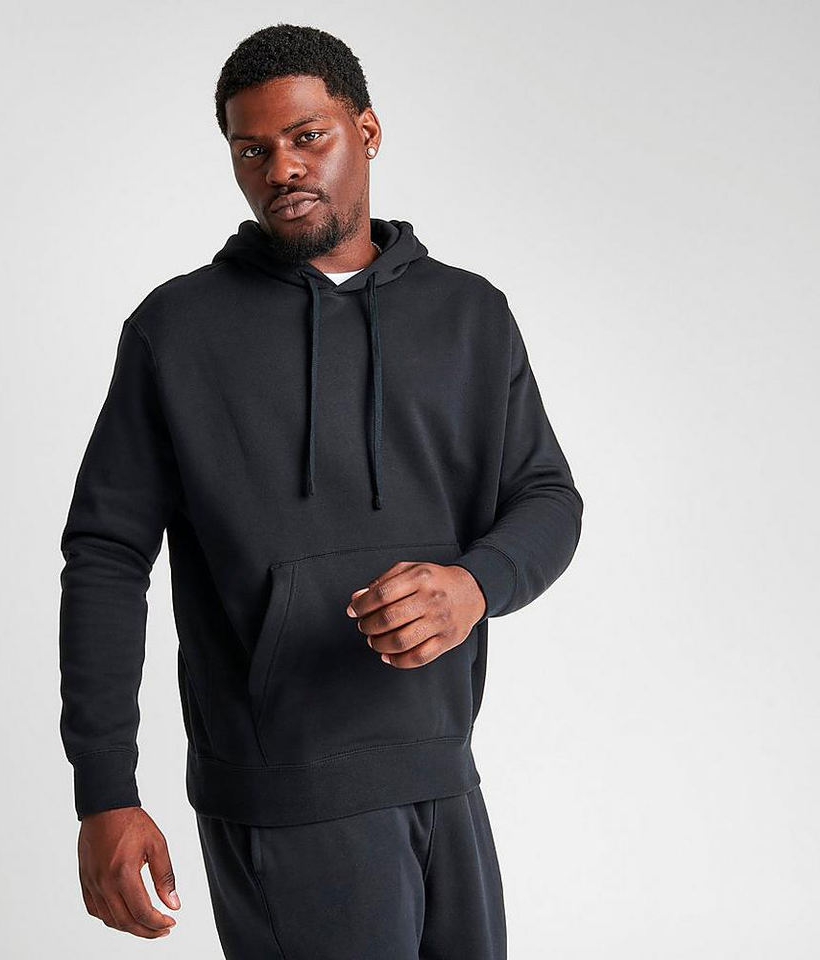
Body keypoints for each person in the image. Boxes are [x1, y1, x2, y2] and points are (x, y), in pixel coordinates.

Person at [58, 22, 583, 959]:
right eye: (251, 150)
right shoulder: (177, 330)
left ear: (367, 131)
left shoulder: (469, 314)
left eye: (308, 136)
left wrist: (475, 585)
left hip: (445, 774)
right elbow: (106, 556)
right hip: (285, 796)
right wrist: (105, 791)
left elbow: (546, 496)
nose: (282, 169)